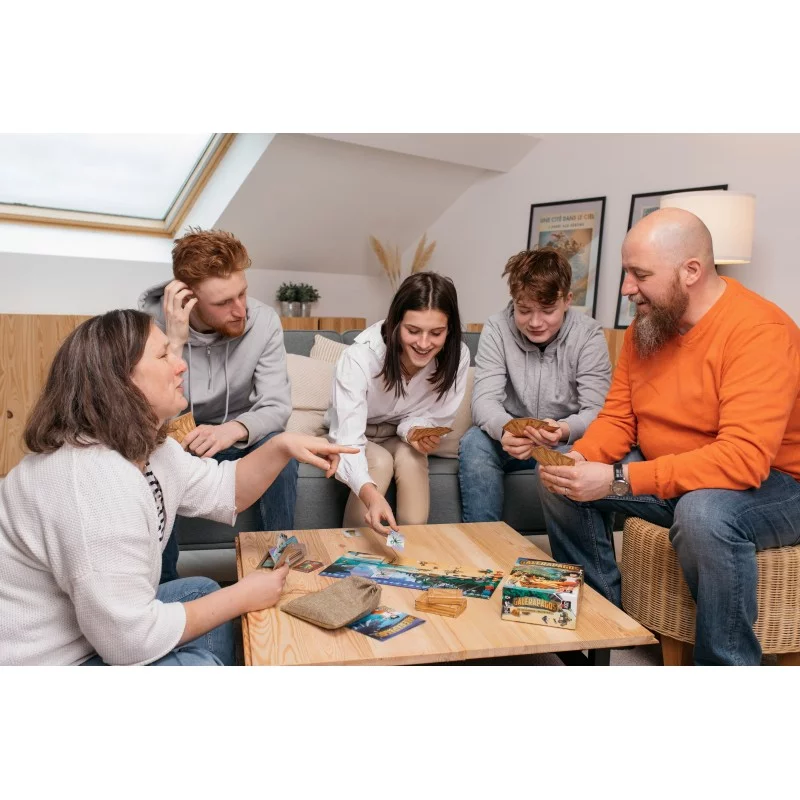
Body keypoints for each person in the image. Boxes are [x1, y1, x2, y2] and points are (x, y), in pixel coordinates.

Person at [0, 310, 356, 666]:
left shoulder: (154, 449)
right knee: (205, 659)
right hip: (53, 659)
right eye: (162, 355)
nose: (181, 364)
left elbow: (227, 490)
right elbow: (129, 643)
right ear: (120, 381)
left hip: (90, 630)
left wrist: (281, 446)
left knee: (199, 590)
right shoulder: (94, 484)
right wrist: (242, 597)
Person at [537, 207, 800, 666]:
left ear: (691, 271)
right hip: (679, 471)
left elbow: (742, 461)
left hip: (774, 486)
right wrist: (580, 459)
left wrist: (619, 480)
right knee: (563, 479)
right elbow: (619, 419)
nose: (626, 288)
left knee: (704, 513)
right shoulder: (649, 326)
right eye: (626, 273)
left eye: (640, 275)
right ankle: (603, 631)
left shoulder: (759, 331)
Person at [139, 228, 296, 583]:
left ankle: (279, 568)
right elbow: (144, 416)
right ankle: (165, 588)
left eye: (242, 293)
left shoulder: (264, 320)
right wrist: (175, 343)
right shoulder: (148, 328)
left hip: (237, 439)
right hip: (177, 443)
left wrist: (232, 430)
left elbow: (276, 405)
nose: (240, 310)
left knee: (279, 446)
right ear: (188, 299)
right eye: (224, 303)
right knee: (154, 455)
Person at [459, 247, 611, 522]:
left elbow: (599, 411)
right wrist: (506, 430)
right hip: (511, 434)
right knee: (474, 442)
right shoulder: (496, 328)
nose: (535, 322)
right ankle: (484, 543)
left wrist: (564, 430)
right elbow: (484, 400)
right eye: (524, 310)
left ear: (567, 300)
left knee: (580, 456)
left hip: (566, 439)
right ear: (513, 300)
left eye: (548, 310)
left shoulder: (588, 335)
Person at [326, 272, 471, 535]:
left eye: (436, 333)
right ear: (396, 323)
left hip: (399, 434)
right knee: (379, 462)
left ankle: (411, 549)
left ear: (449, 330)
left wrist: (414, 432)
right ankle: (353, 548)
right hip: (357, 435)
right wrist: (371, 496)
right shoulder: (360, 357)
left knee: (412, 457)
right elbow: (349, 442)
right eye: (413, 331)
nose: (424, 344)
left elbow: (436, 417)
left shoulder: (457, 357)